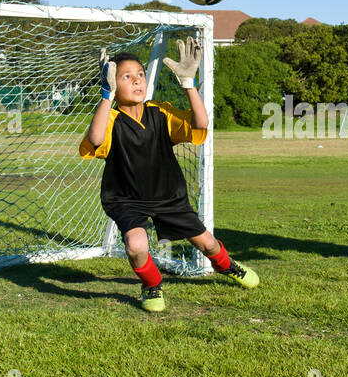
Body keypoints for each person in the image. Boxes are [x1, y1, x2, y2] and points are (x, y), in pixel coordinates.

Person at [80, 40, 259, 312]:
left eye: (140, 74)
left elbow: (200, 123)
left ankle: (228, 266)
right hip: (126, 198)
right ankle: (152, 285)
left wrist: (188, 83)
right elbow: (94, 138)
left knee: (208, 244)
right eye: (126, 77)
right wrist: (106, 96)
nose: (137, 81)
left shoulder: (160, 112)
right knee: (136, 245)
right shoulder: (111, 119)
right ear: (114, 85)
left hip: (167, 195)